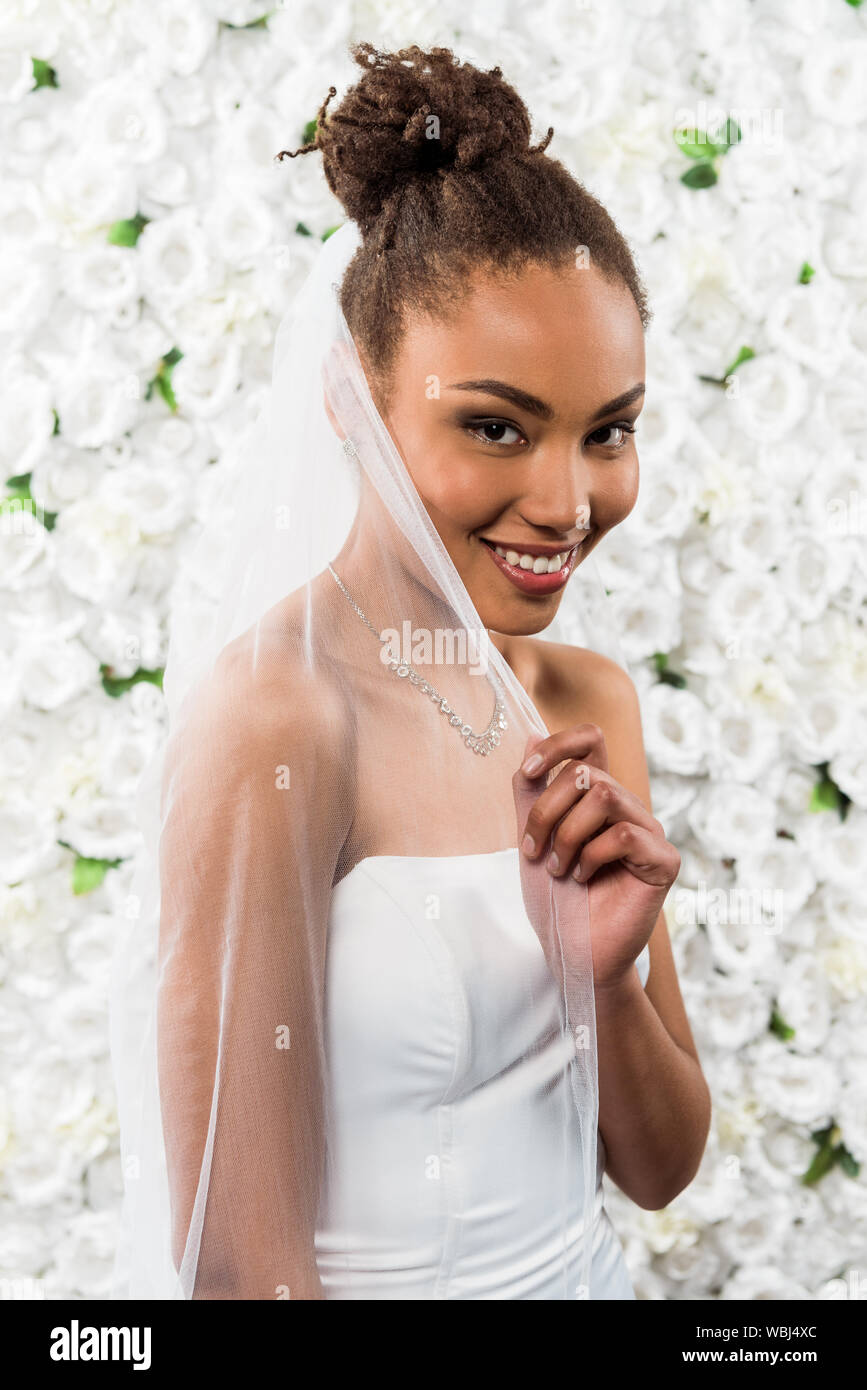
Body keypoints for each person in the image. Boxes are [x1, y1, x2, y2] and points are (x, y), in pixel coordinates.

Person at [110, 42, 711, 1302]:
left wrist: (598, 973)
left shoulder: (586, 704)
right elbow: (241, 1270)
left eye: (609, 431)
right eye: (494, 425)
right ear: (352, 396)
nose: (565, 502)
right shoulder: (281, 716)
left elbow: (660, 1169)